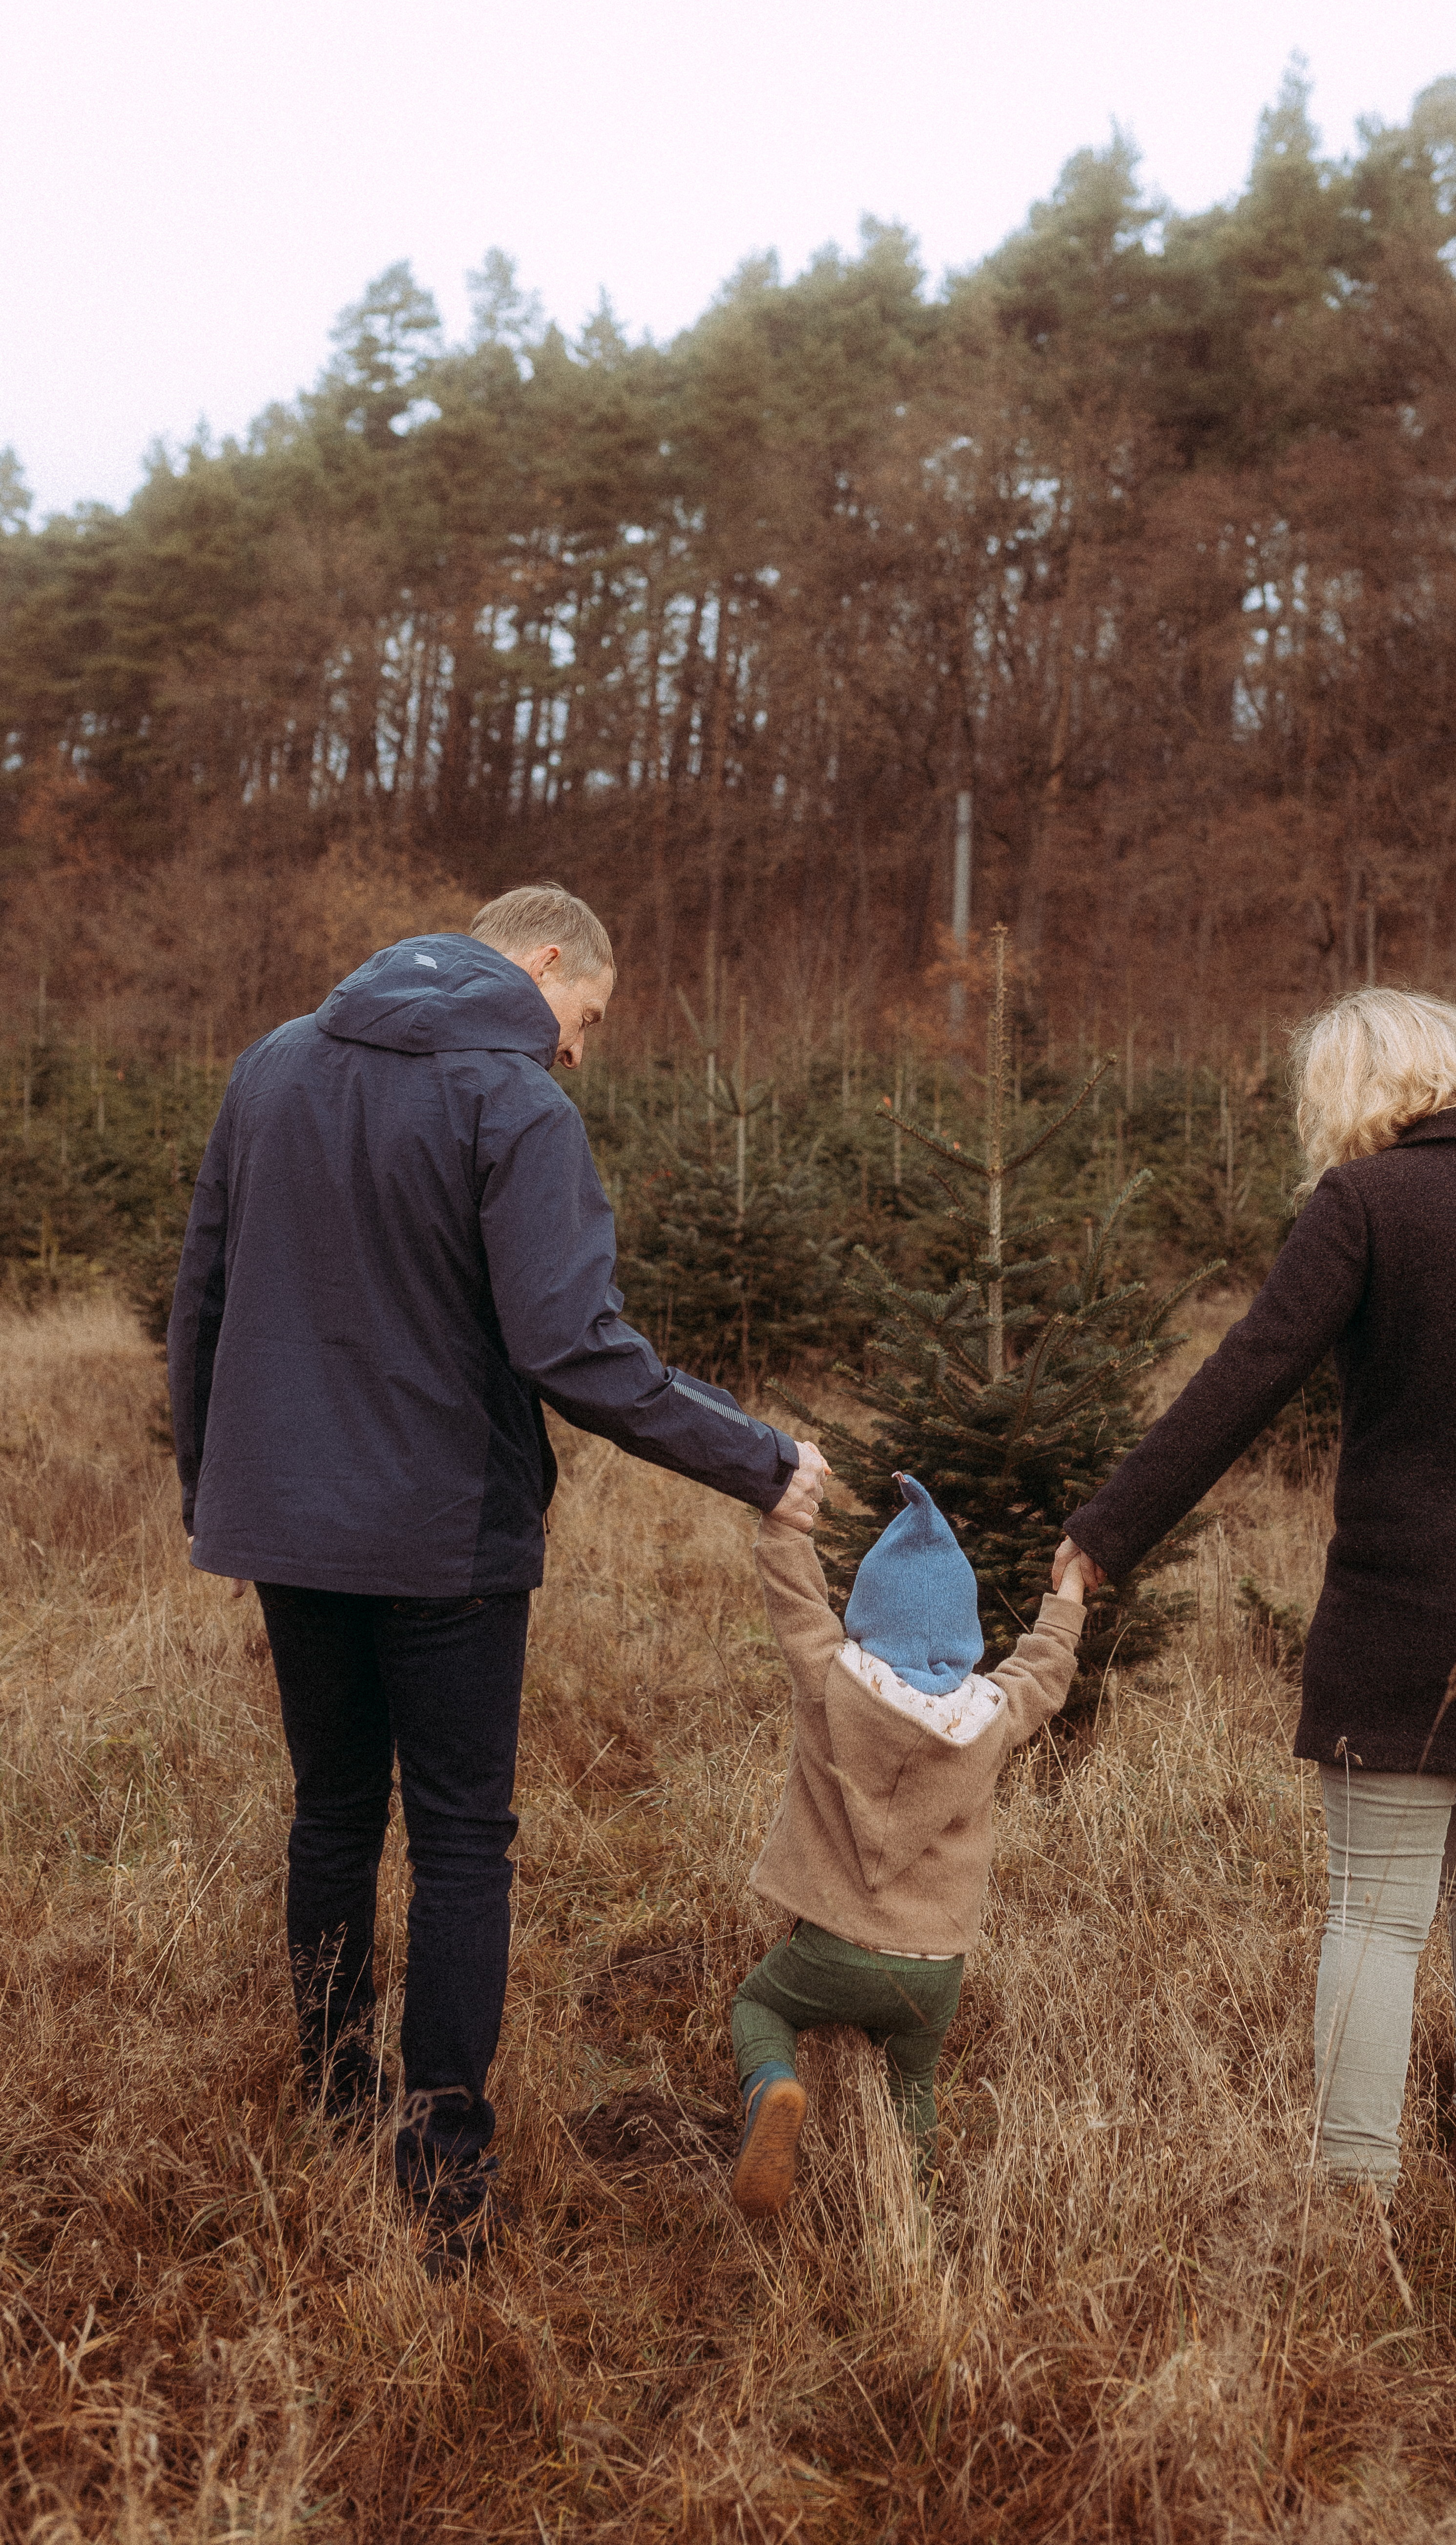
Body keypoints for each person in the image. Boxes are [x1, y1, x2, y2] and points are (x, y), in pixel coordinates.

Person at [167, 883, 826, 2270]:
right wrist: (764, 1460)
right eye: (584, 1016)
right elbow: (573, 1348)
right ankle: (444, 2173)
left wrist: (216, 1497)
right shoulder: (516, 1104)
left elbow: (205, 1299)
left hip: (288, 1525)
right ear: (540, 966)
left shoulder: (274, 1062)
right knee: (463, 1835)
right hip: (442, 1533)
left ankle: (339, 2113)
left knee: (334, 1815)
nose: (579, 1049)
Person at [1053, 988, 1456, 2213]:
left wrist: (1108, 1533)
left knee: (1379, 1913)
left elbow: (1247, 1376)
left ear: (1354, 1091)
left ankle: (1355, 2200)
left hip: (1415, 1619)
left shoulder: (1365, 1204)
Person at [727, 1472, 1081, 2218]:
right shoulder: (994, 1713)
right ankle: (912, 2214)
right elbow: (1043, 1673)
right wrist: (1069, 1593)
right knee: (913, 2085)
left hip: (831, 1951)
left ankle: (774, 2089)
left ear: (865, 1613)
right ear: (964, 1631)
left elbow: (795, 1602)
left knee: (760, 2007)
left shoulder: (829, 1679)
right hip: (933, 1975)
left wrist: (784, 1521)